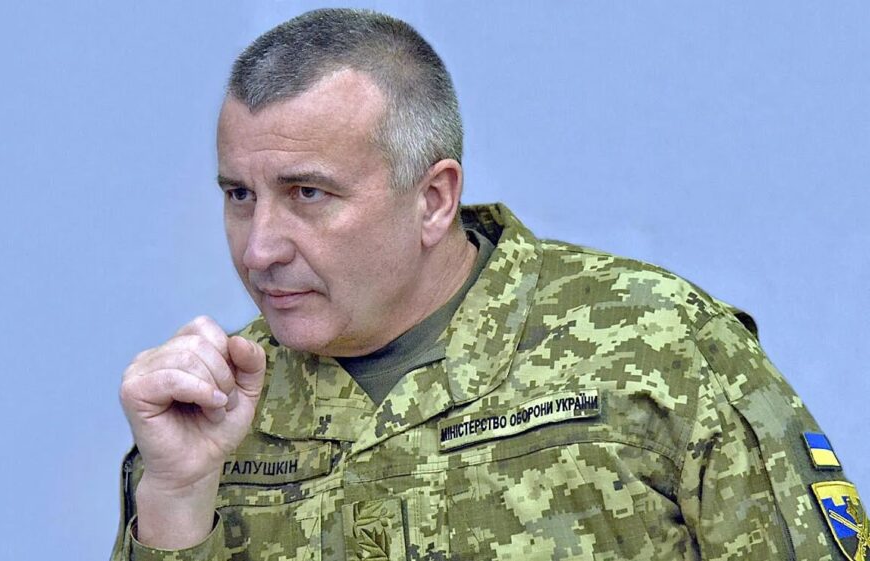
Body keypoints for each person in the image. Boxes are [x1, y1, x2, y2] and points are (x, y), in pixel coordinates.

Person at [112, 8, 865, 561]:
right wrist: (175, 496)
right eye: (238, 195)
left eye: (308, 193)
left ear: (433, 199)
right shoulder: (211, 411)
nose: (260, 247)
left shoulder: (656, 347)